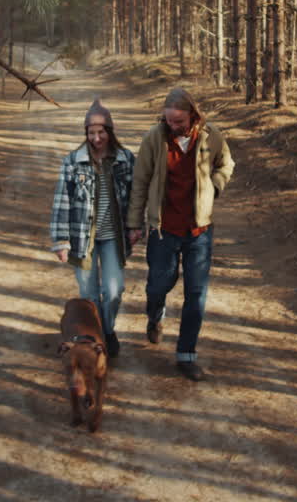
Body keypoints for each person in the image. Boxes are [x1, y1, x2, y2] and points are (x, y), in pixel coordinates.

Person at [126, 87, 234, 381]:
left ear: (193, 116)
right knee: (158, 285)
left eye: (179, 122)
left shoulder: (211, 136)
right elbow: (139, 183)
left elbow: (226, 163)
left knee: (196, 294)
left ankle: (186, 355)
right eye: (168, 121)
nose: (173, 127)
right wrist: (135, 224)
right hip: (164, 229)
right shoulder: (154, 139)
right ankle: (155, 314)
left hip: (200, 230)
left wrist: (215, 185)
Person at [50, 98, 135, 358]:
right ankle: (99, 340)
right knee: (89, 296)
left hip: (113, 238)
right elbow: (62, 200)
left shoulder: (125, 159)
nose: (96, 137)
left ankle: (107, 330)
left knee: (113, 290)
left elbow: (134, 197)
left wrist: (136, 226)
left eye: (101, 132)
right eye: (91, 132)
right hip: (82, 238)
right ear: (85, 133)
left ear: (110, 131)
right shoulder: (73, 161)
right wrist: (61, 241)